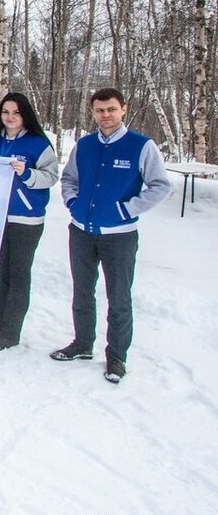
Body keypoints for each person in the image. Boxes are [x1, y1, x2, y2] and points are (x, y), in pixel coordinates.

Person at [51, 88, 170, 384]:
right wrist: (72, 203)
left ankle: (116, 356)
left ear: (123, 109)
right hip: (82, 232)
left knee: (118, 298)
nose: (106, 115)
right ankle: (82, 344)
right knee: (82, 291)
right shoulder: (85, 145)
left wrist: (127, 209)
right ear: (93, 112)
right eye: (100, 110)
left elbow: (160, 186)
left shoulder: (141, 146)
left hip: (119, 237)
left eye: (111, 109)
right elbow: (69, 179)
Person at [0, 92, 60, 350]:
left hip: (26, 218)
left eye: (16, 113)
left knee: (18, 274)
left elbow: (51, 176)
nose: (10, 118)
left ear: (25, 115)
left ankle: (10, 333)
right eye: (5, 112)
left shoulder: (37, 144)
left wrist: (28, 174)